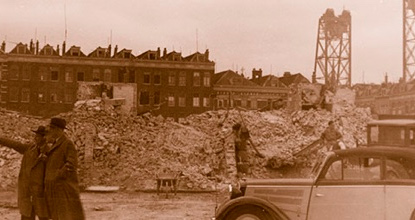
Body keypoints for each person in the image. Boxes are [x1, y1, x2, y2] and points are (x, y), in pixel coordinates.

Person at [0, 126, 49, 220]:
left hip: (41, 194)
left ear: (44, 138)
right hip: (27, 193)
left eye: (38, 136)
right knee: (26, 216)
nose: (35, 138)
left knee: (43, 217)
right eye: (36, 136)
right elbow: (14, 144)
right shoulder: (30, 148)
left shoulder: (50, 152)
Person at [43, 117, 85, 220]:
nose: (50, 131)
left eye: (52, 128)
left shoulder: (67, 144)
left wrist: (56, 175)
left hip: (63, 188)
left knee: (65, 216)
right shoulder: (55, 144)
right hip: (55, 188)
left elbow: (71, 165)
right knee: (57, 215)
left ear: (58, 130)